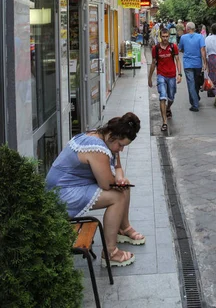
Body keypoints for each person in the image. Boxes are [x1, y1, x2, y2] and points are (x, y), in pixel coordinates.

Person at [46, 113, 145, 267]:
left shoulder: (101, 136)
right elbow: (106, 184)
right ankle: (110, 252)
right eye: (120, 145)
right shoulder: (97, 149)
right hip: (62, 193)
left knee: (124, 187)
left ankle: (124, 228)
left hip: (70, 186)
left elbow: (117, 167)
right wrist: (116, 181)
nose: (121, 149)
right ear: (112, 135)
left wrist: (120, 178)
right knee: (117, 197)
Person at [148, 28, 182, 130]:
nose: (165, 38)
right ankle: (164, 122)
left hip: (171, 75)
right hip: (161, 75)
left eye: (167, 36)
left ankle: (168, 108)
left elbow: (177, 60)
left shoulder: (173, 47)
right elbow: (153, 63)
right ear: (160, 36)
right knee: (162, 96)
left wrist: (179, 74)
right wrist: (149, 78)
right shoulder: (156, 48)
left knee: (171, 97)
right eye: (163, 36)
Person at [179, 21, 207, 112]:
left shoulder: (183, 37)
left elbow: (180, 49)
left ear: (187, 29)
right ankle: (195, 99)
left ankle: (195, 104)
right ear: (194, 28)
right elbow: (202, 50)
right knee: (196, 82)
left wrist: (186, 52)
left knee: (191, 83)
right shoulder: (200, 37)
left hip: (187, 64)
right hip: (197, 63)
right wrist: (205, 62)